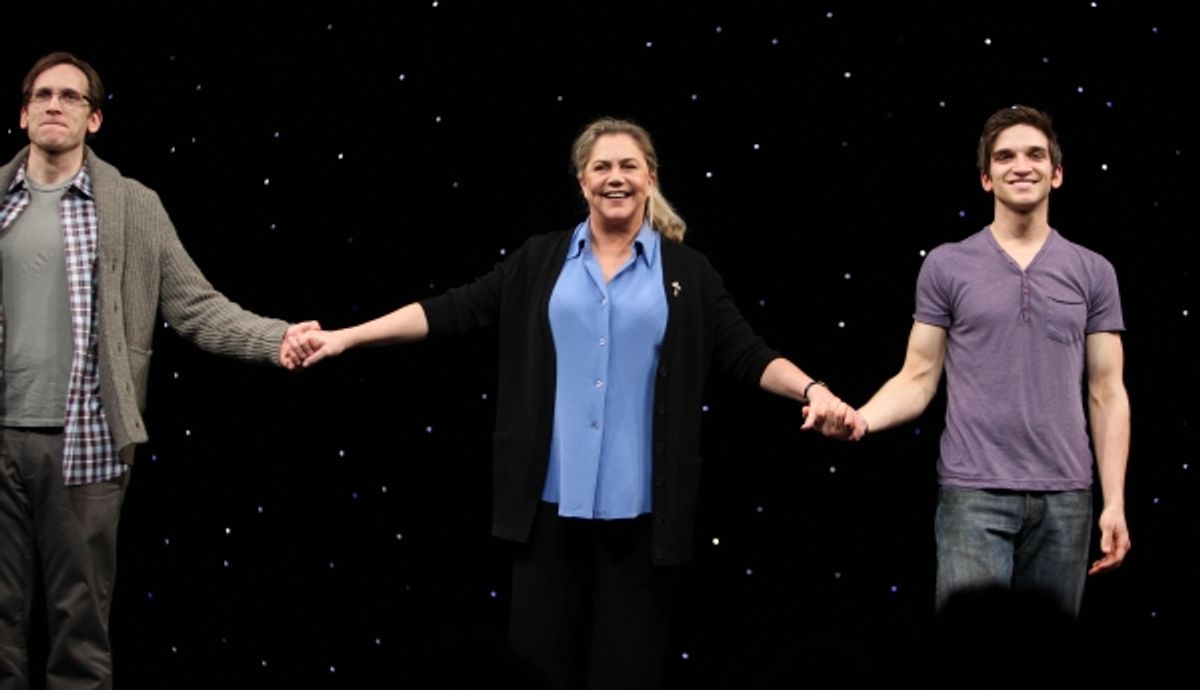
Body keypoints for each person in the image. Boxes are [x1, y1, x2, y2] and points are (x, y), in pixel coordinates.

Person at [295, 117, 865, 689]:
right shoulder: (539, 260)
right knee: (536, 671)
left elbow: (748, 352)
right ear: (581, 181)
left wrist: (815, 391)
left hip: (643, 510)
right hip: (546, 505)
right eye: (601, 167)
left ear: (650, 178)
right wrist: (345, 337)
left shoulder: (688, 274)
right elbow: (450, 310)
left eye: (628, 166)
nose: (615, 178)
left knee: (629, 674)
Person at [0, 52, 315, 689]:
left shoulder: (131, 207)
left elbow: (196, 306)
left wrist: (275, 338)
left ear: (94, 119)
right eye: (43, 95)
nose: (53, 105)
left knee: (78, 626)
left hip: (84, 443)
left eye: (70, 97)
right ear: (24, 113)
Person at [855, 105, 1131, 617]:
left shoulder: (1093, 271)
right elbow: (917, 377)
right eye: (1004, 157)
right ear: (986, 178)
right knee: (968, 656)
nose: (1020, 165)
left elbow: (1107, 391)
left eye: (1035, 154)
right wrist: (861, 419)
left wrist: (1114, 502)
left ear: (1057, 173)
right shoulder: (947, 265)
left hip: (1066, 498)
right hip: (972, 494)